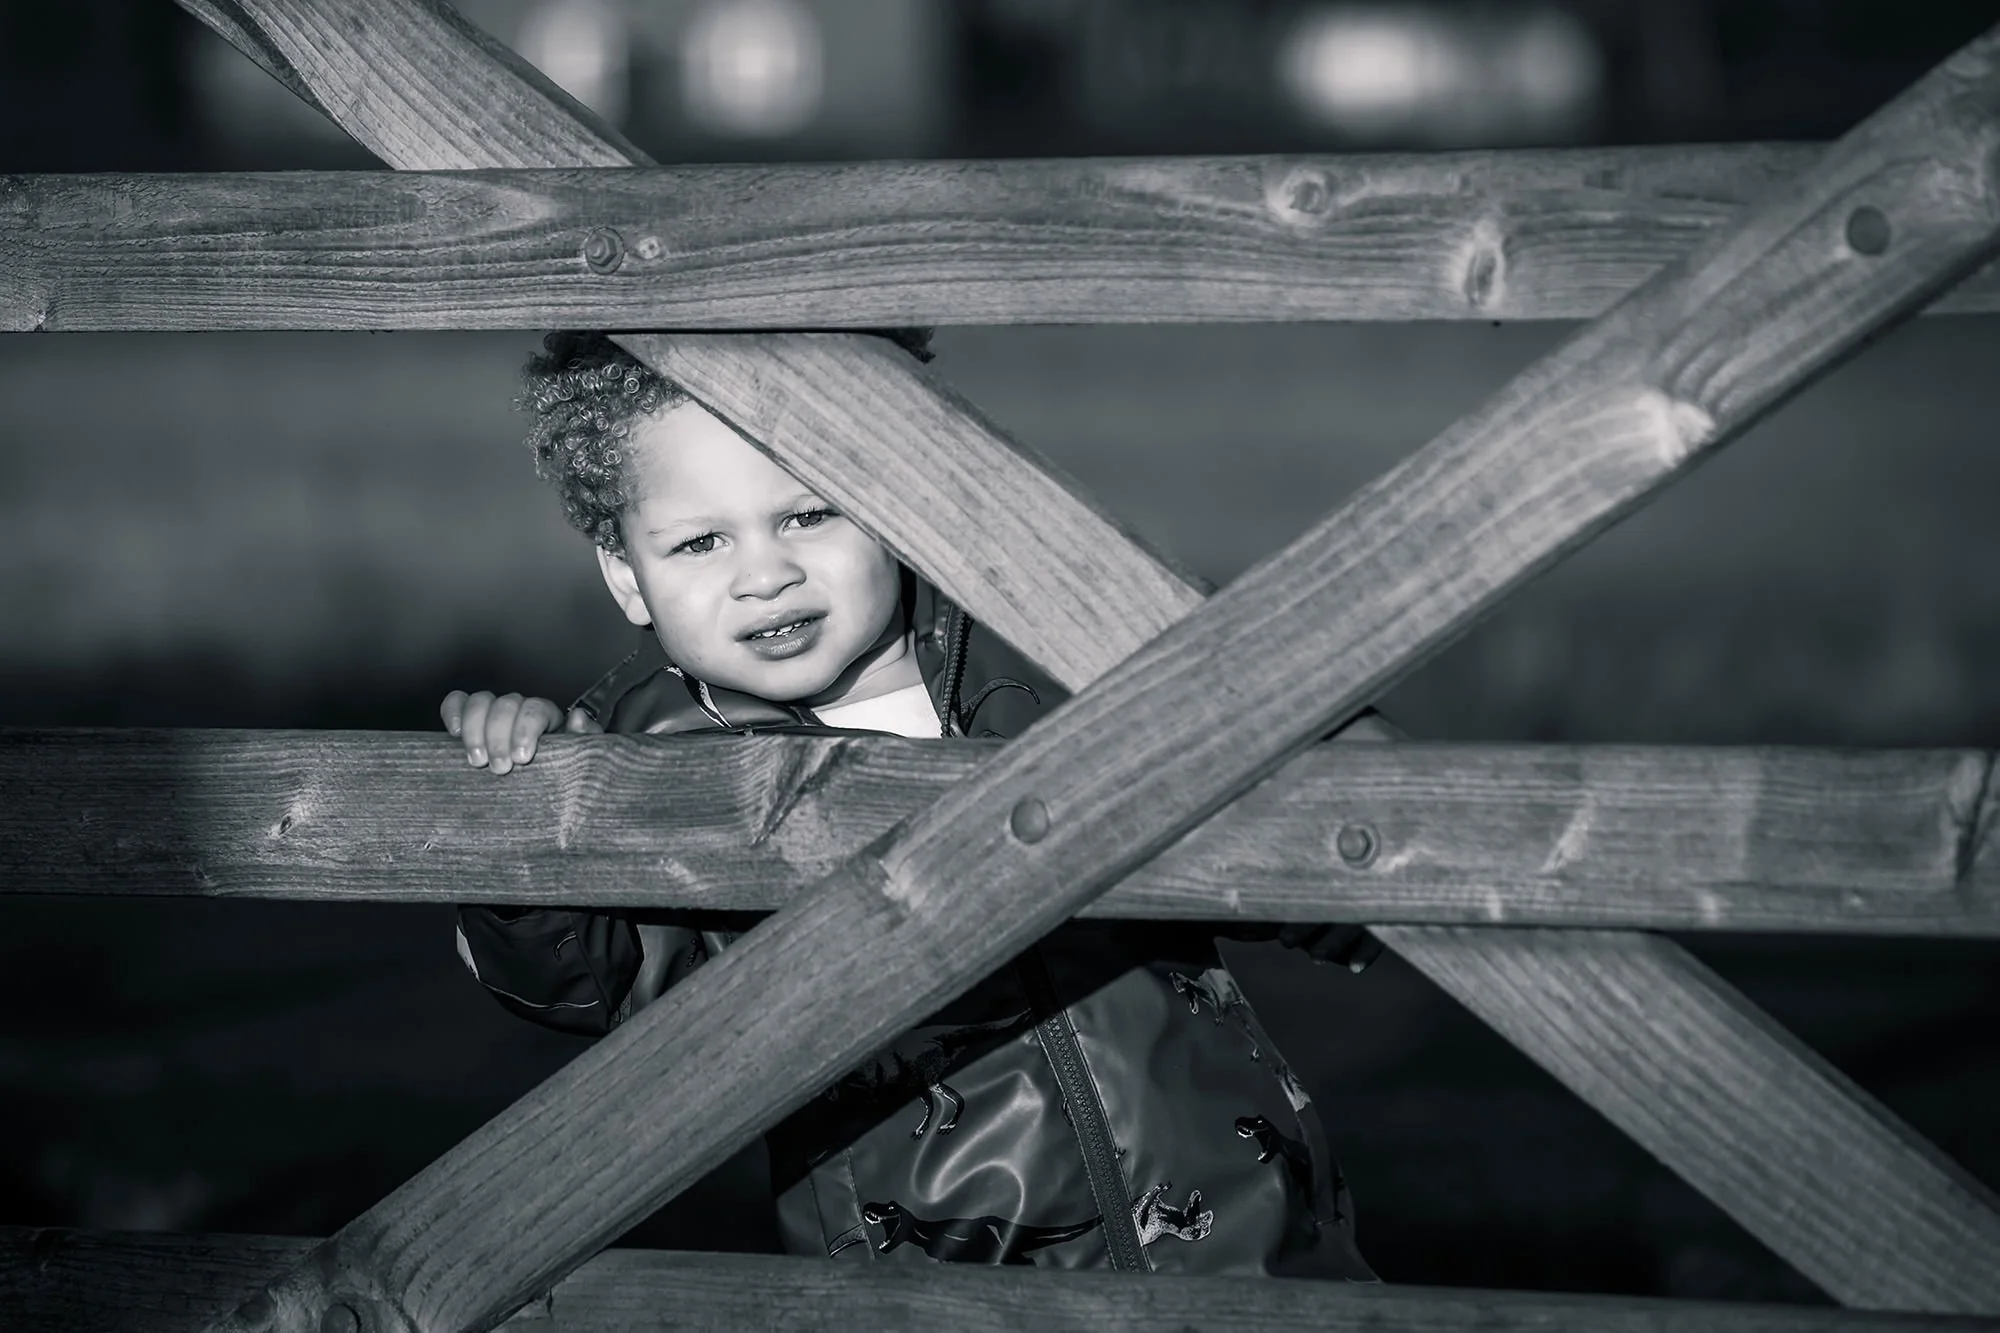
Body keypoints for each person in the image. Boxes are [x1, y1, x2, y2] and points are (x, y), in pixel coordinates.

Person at [446, 328, 1387, 1276]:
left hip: (1242, 1229)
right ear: (625, 575)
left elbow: (1258, 807)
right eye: (699, 540)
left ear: (892, 508)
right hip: (927, 1276)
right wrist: (532, 815)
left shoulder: (1040, 654)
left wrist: (1359, 867)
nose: (765, 573)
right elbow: (593, 977)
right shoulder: (647, 757)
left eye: (811, 515)